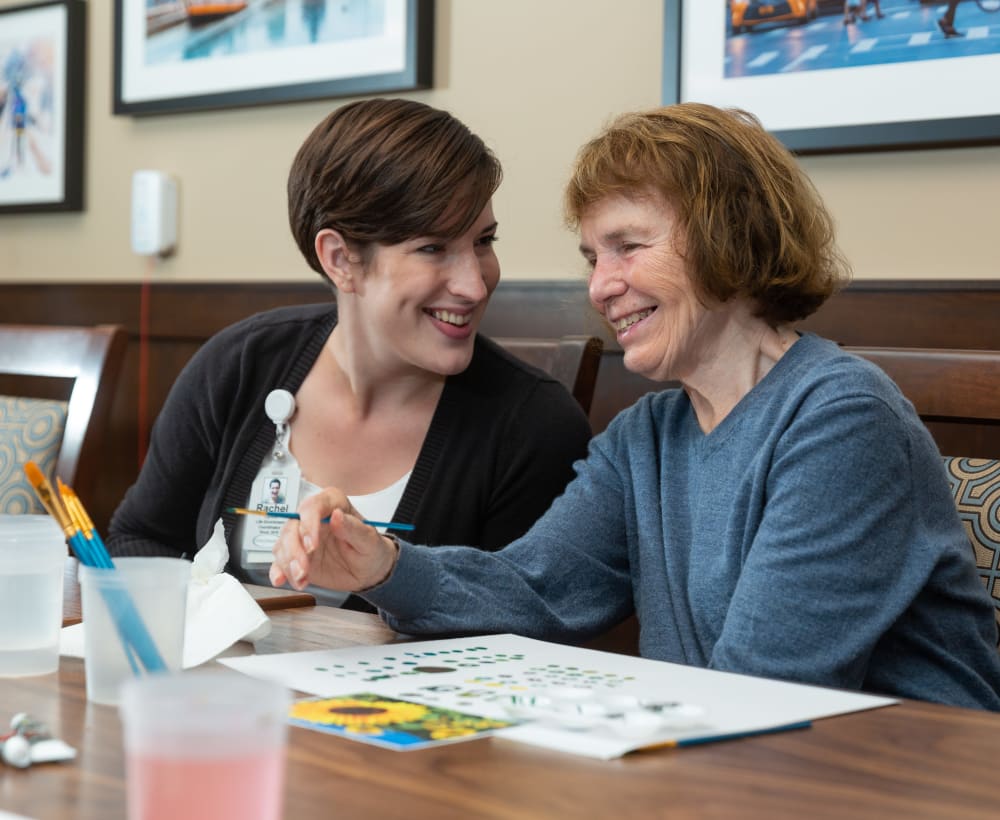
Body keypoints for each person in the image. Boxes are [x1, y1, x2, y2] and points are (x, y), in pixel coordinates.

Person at [270, 102, 1000, 710]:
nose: (601, 286)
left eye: (627, 246)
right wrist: (383, 565)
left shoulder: (841, 419)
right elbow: (536, 590)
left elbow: (766, 691)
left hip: (904, 785)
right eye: (593, 258)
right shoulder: (646, 436)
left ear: (728, 238)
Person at [107, 98, 593, 610]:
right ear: (340, 259)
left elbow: (523, 622)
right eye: (433, 248)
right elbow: (140, 540)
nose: (475, 284)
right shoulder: (240, 364)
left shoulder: (533, 426)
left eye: (484, 241)